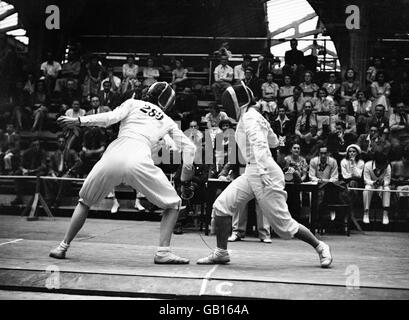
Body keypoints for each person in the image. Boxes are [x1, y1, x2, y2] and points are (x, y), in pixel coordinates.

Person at [49, 82, 196, 264]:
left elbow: (110, 117)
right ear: (168, 103)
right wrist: (185, 178)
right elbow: (189, 148)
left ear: (148, 94)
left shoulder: (132, 103)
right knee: (173, 204)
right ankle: (163, 252)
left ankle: (62, 247)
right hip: (139, 160)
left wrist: (78, 120)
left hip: (114, 155)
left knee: (85, 201)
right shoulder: (166, 120)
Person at [196, 82, 332, 268]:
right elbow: (274, 141)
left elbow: (260, 144)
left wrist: (261, 168)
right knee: (221, 207)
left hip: (263, 172)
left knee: (285, 227)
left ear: (236, 103)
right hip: (254, 170)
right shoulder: (255, 116)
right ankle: (221, 252)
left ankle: (320, 246)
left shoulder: (250, 119)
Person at [363, 151, 391, 225]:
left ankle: (385, 214)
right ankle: (366, 213)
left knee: (387, 189)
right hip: (371, 185)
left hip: (381, 186)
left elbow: (388, 180)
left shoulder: (387, 166)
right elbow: (366, 180)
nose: (383, 166)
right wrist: (373, 183)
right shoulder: (367, 165)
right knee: (367, 188)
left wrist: (383, 183)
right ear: (376, 163)